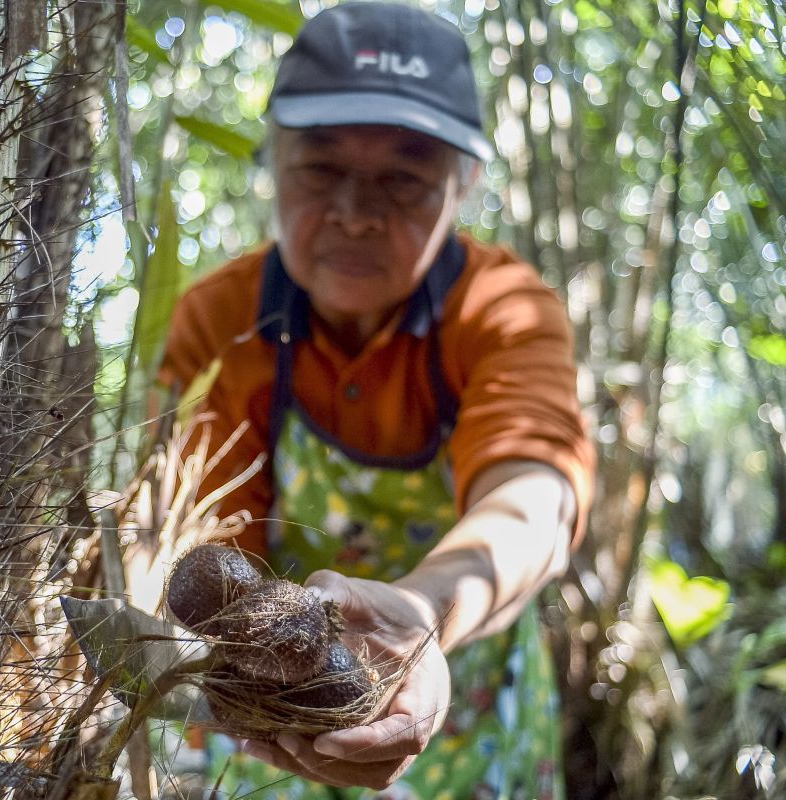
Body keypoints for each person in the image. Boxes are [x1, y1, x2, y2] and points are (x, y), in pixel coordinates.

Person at [155, 3, 596, 798]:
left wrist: (421, 613)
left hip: (469, 697)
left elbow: (537, 495)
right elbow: (208, 537)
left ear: (462, 185)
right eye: (321, 170)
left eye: (403, 178)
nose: (355, 214)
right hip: (285, 709)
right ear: (274, 161)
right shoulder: (222, 322)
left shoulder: (502, 309)